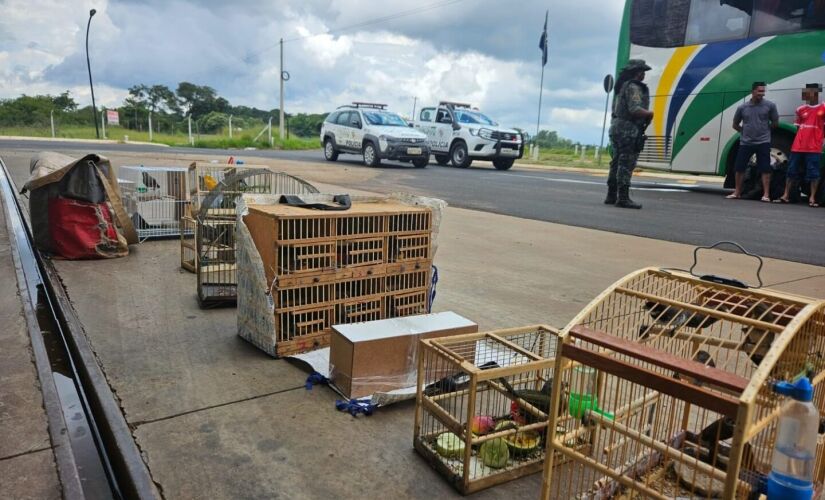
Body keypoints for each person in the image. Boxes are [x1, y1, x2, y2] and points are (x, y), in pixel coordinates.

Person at [605, 59, 653, 209]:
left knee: (617, 162)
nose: (644, 74)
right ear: (637, 73)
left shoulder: (621, 88)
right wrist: (650, 113)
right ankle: (623, 198)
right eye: (642, 71)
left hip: (617, 127)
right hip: (628, 130)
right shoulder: (634, 87)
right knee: (626, 163)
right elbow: (635, 110)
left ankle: (611, 195)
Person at [727, 82, 779, 201]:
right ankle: (737, 192)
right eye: (760, 91)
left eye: (763, 91)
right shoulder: (742, 107)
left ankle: (766, 195)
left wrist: (764, 131)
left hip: (763, 142)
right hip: (746, 143)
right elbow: (735, 124)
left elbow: (775, 123)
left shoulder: (770, 106)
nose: (762, 94)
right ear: (753, 91)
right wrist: (744, 132)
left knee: (765, 168)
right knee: (739, 167)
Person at [776, 83, 824, 207]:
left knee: (814, 172)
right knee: (791, 170)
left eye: (810, 91)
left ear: (816, 93)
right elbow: (797, 128)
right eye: (806, 92)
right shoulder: (800, 109)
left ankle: (812, 198)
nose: (807, 94)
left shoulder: (823, 108)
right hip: (798, 147)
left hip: (814, 147)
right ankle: (786, 195)